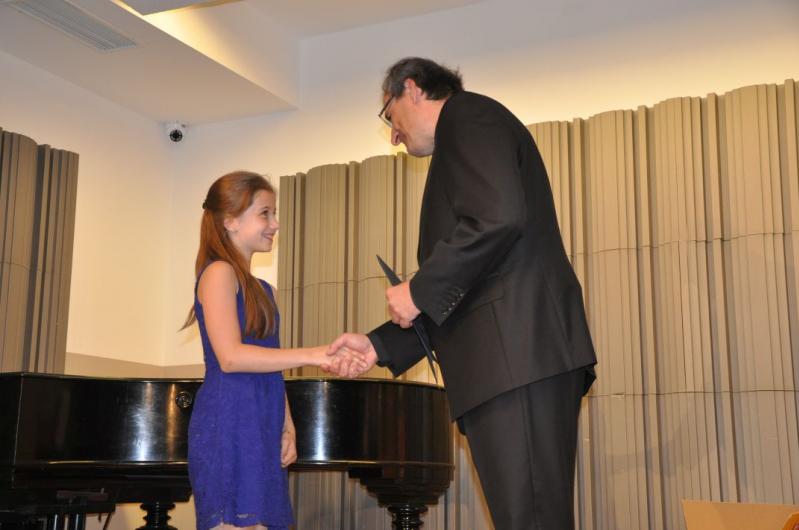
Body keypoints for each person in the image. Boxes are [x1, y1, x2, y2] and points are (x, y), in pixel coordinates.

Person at [328, 58, 597, 530]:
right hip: (510, 362)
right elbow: (468, 284)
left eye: (389, 117)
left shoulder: (468, 115)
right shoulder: (462, 135)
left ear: (411, 89)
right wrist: (377, 345)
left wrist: (419, 289)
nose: (393, 136)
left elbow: (498, 218)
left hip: (517, 357)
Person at [182, 170, 366, 530]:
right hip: (229, 422)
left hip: (262, 422)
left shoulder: (266, 291)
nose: (275, 224)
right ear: (230, 220)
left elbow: (269, 365)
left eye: (274, 213)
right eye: (264, 213)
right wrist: (313, 354)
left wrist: (287, 425)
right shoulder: (218, 273)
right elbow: (231, 358)